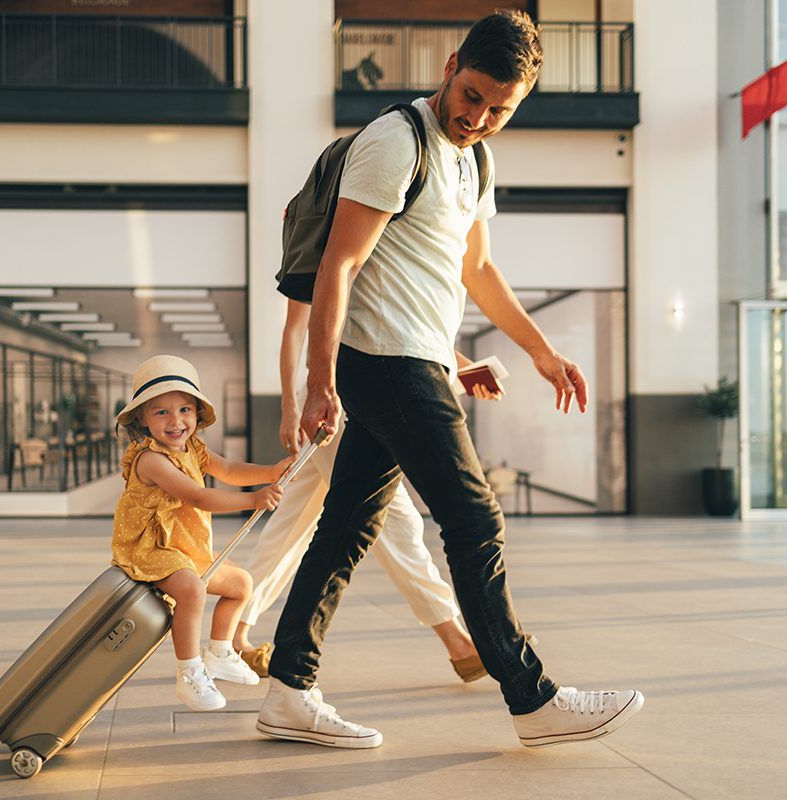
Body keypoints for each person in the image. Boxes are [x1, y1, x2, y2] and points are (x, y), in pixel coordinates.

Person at [256, 10, 644, 749]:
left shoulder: (475, 160)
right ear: (450, 65)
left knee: (345, 529)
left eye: (501, 108)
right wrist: (316, 379)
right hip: (387, 363)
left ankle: (287, 687)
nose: (479, 116)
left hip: (419, 362)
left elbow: (475, 270)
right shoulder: (395, 142)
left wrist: (536, 350)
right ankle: (532, 698)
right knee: (473, 521)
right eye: (471, 96)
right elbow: (340, 264)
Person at [231, 298, 499, 683]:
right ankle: (458, 643)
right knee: (395, 520)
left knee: (293, 524)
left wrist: (466, 370)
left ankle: (230, 633)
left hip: (368, 399)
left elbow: (403, 328)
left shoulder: (384, 256)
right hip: (330, 403)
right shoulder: (326, 245)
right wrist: (290, 407)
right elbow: (294, 330)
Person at [112, 355, 292, 712]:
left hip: (183, 549)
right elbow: (197, 496)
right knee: (192, 589)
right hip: (151, 549)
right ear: (143, 420)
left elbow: (229, 469)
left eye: (184, 409)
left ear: (196, 413)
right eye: (161, 412)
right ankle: (188, 672)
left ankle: (222, 652)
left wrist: (270, 472)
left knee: (241, 583)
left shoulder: (194, 448)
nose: (176, 420)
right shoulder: (152, 460)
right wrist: (253, 499)